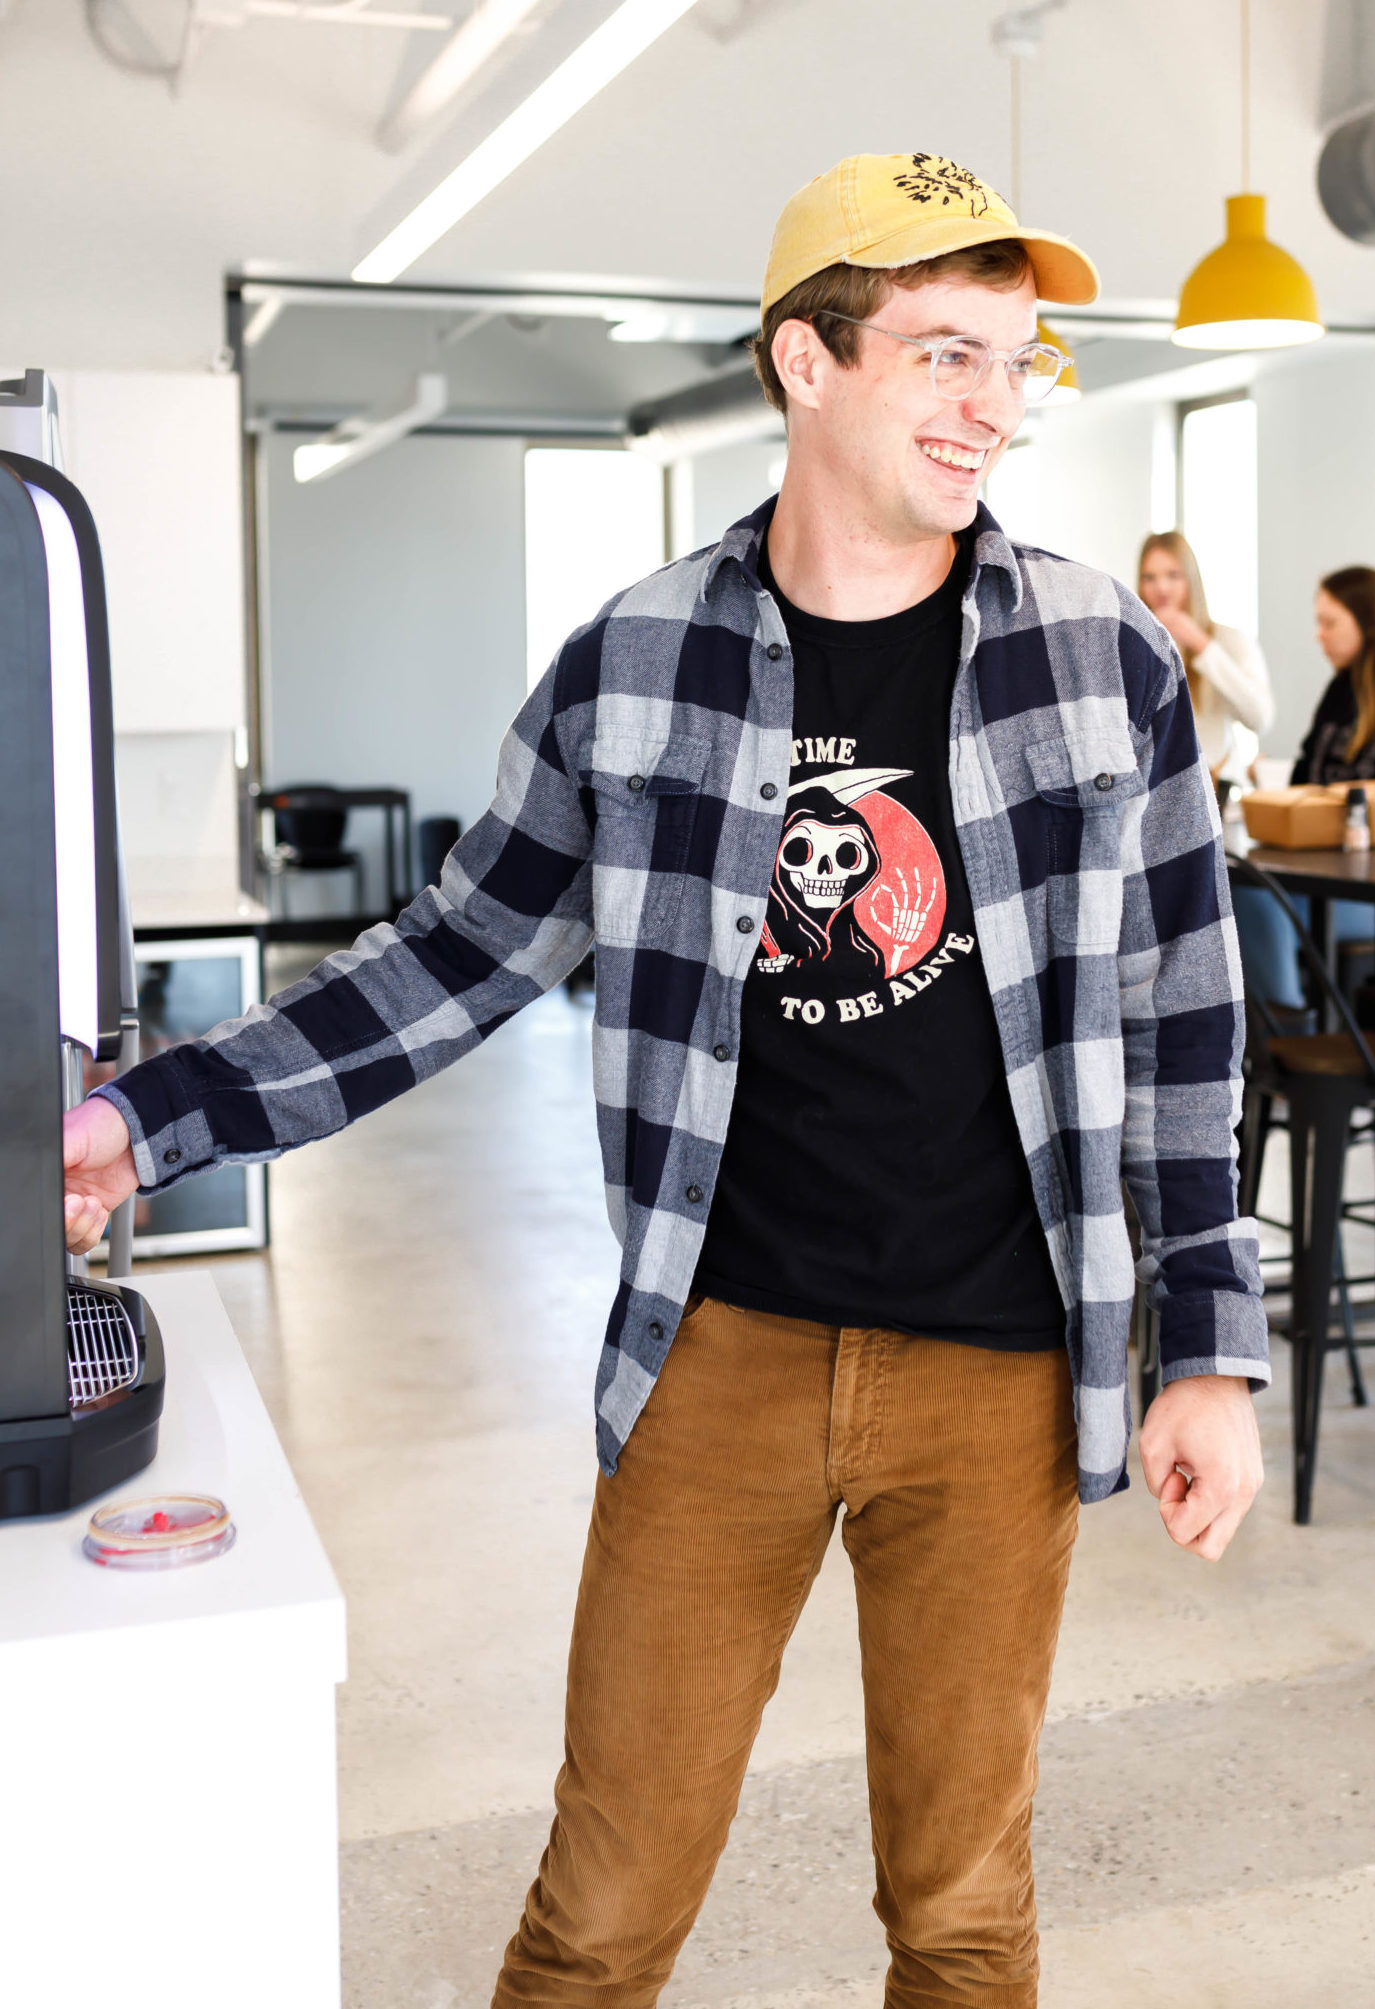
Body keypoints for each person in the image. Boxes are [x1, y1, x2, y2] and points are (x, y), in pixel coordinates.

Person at [61, 153, 1267, 2006]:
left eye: (1017, 364)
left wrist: (1200, 1342)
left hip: (995, 1362)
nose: (992, 409)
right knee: (599, 1914)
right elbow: (449, 958)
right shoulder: (634, 663)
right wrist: (151, 1112)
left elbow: (1182, 1012)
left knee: (959, 1907)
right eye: (945, 356)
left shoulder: (1097, 657)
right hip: (717, 1351)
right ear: (804, 361)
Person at [1235, 564, 1375, 1011]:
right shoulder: (1340, 691)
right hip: (1326, 882)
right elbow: (1305, 781)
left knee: (1253, 901)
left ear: (1371, 627)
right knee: (1236, 890)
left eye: (1329, 623)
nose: (1319, 635)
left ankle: (1289, 1041)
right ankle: (1278, 1040)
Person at [1137, 529, 1273, 786]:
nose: (1161, 587)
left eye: (1173, 575)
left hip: (1218, 790)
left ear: (1191, 579)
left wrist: (1202, 645)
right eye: (1150, 577)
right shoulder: (1134, 644)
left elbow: (1259, 717)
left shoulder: (1230, 641)